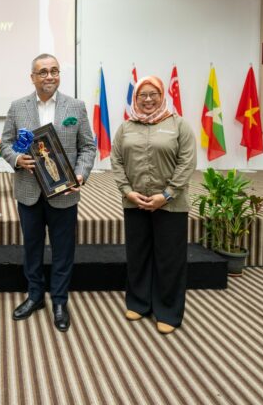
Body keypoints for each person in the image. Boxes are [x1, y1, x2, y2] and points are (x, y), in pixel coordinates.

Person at [0, 53, 96, 332]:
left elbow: (88, 146)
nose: (49, 76)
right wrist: (17, 159)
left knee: (63, 250)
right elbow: (5, 143)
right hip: (29, 191)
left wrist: (80, 173)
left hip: (64, 191)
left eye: (54, 70)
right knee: (32, 248)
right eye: (43, 72)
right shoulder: (18, 107)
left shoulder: (75, 107)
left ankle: (59, 301)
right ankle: (34, 296)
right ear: (32, 77)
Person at [110, 76, 197, 335]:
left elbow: (187, 163)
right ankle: (139, 303)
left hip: (170, 204)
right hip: (134, 201)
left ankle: (168, 311)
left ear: (162, 95)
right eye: (142, 95)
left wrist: (167, 194)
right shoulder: (126, 127)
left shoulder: (179, 125)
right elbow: (116, 161)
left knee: (169, 258)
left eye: (153, 94)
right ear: (135, 98)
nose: (148, 99)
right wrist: (128, 192)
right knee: (138, 255)